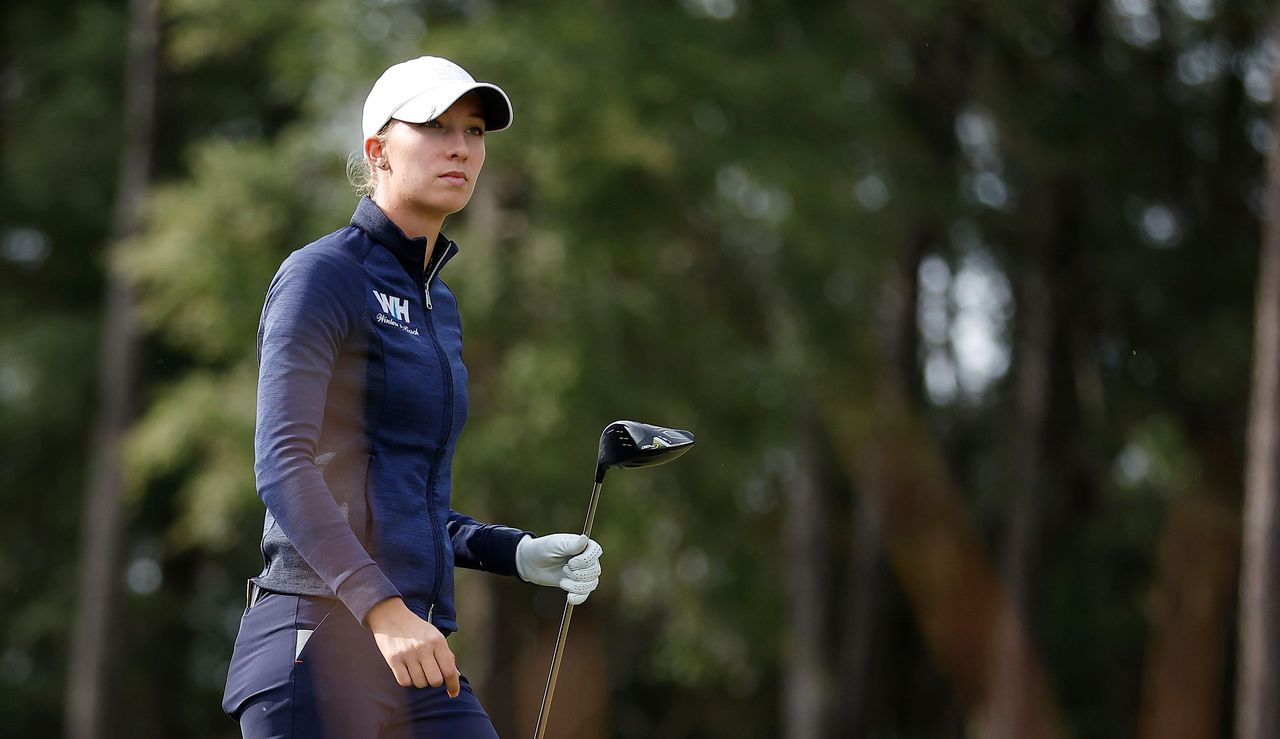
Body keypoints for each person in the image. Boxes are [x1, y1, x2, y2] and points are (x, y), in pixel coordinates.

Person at [221, 56, 603, 738]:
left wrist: (513, 551)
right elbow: (283, 464)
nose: (461, 145)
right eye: (434, 125)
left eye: (475, 129)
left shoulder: (439, 305)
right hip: (313, 642)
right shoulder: (321, 277)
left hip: (414, 654)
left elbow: (399, 496)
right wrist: (385, 610)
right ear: (377, 151)